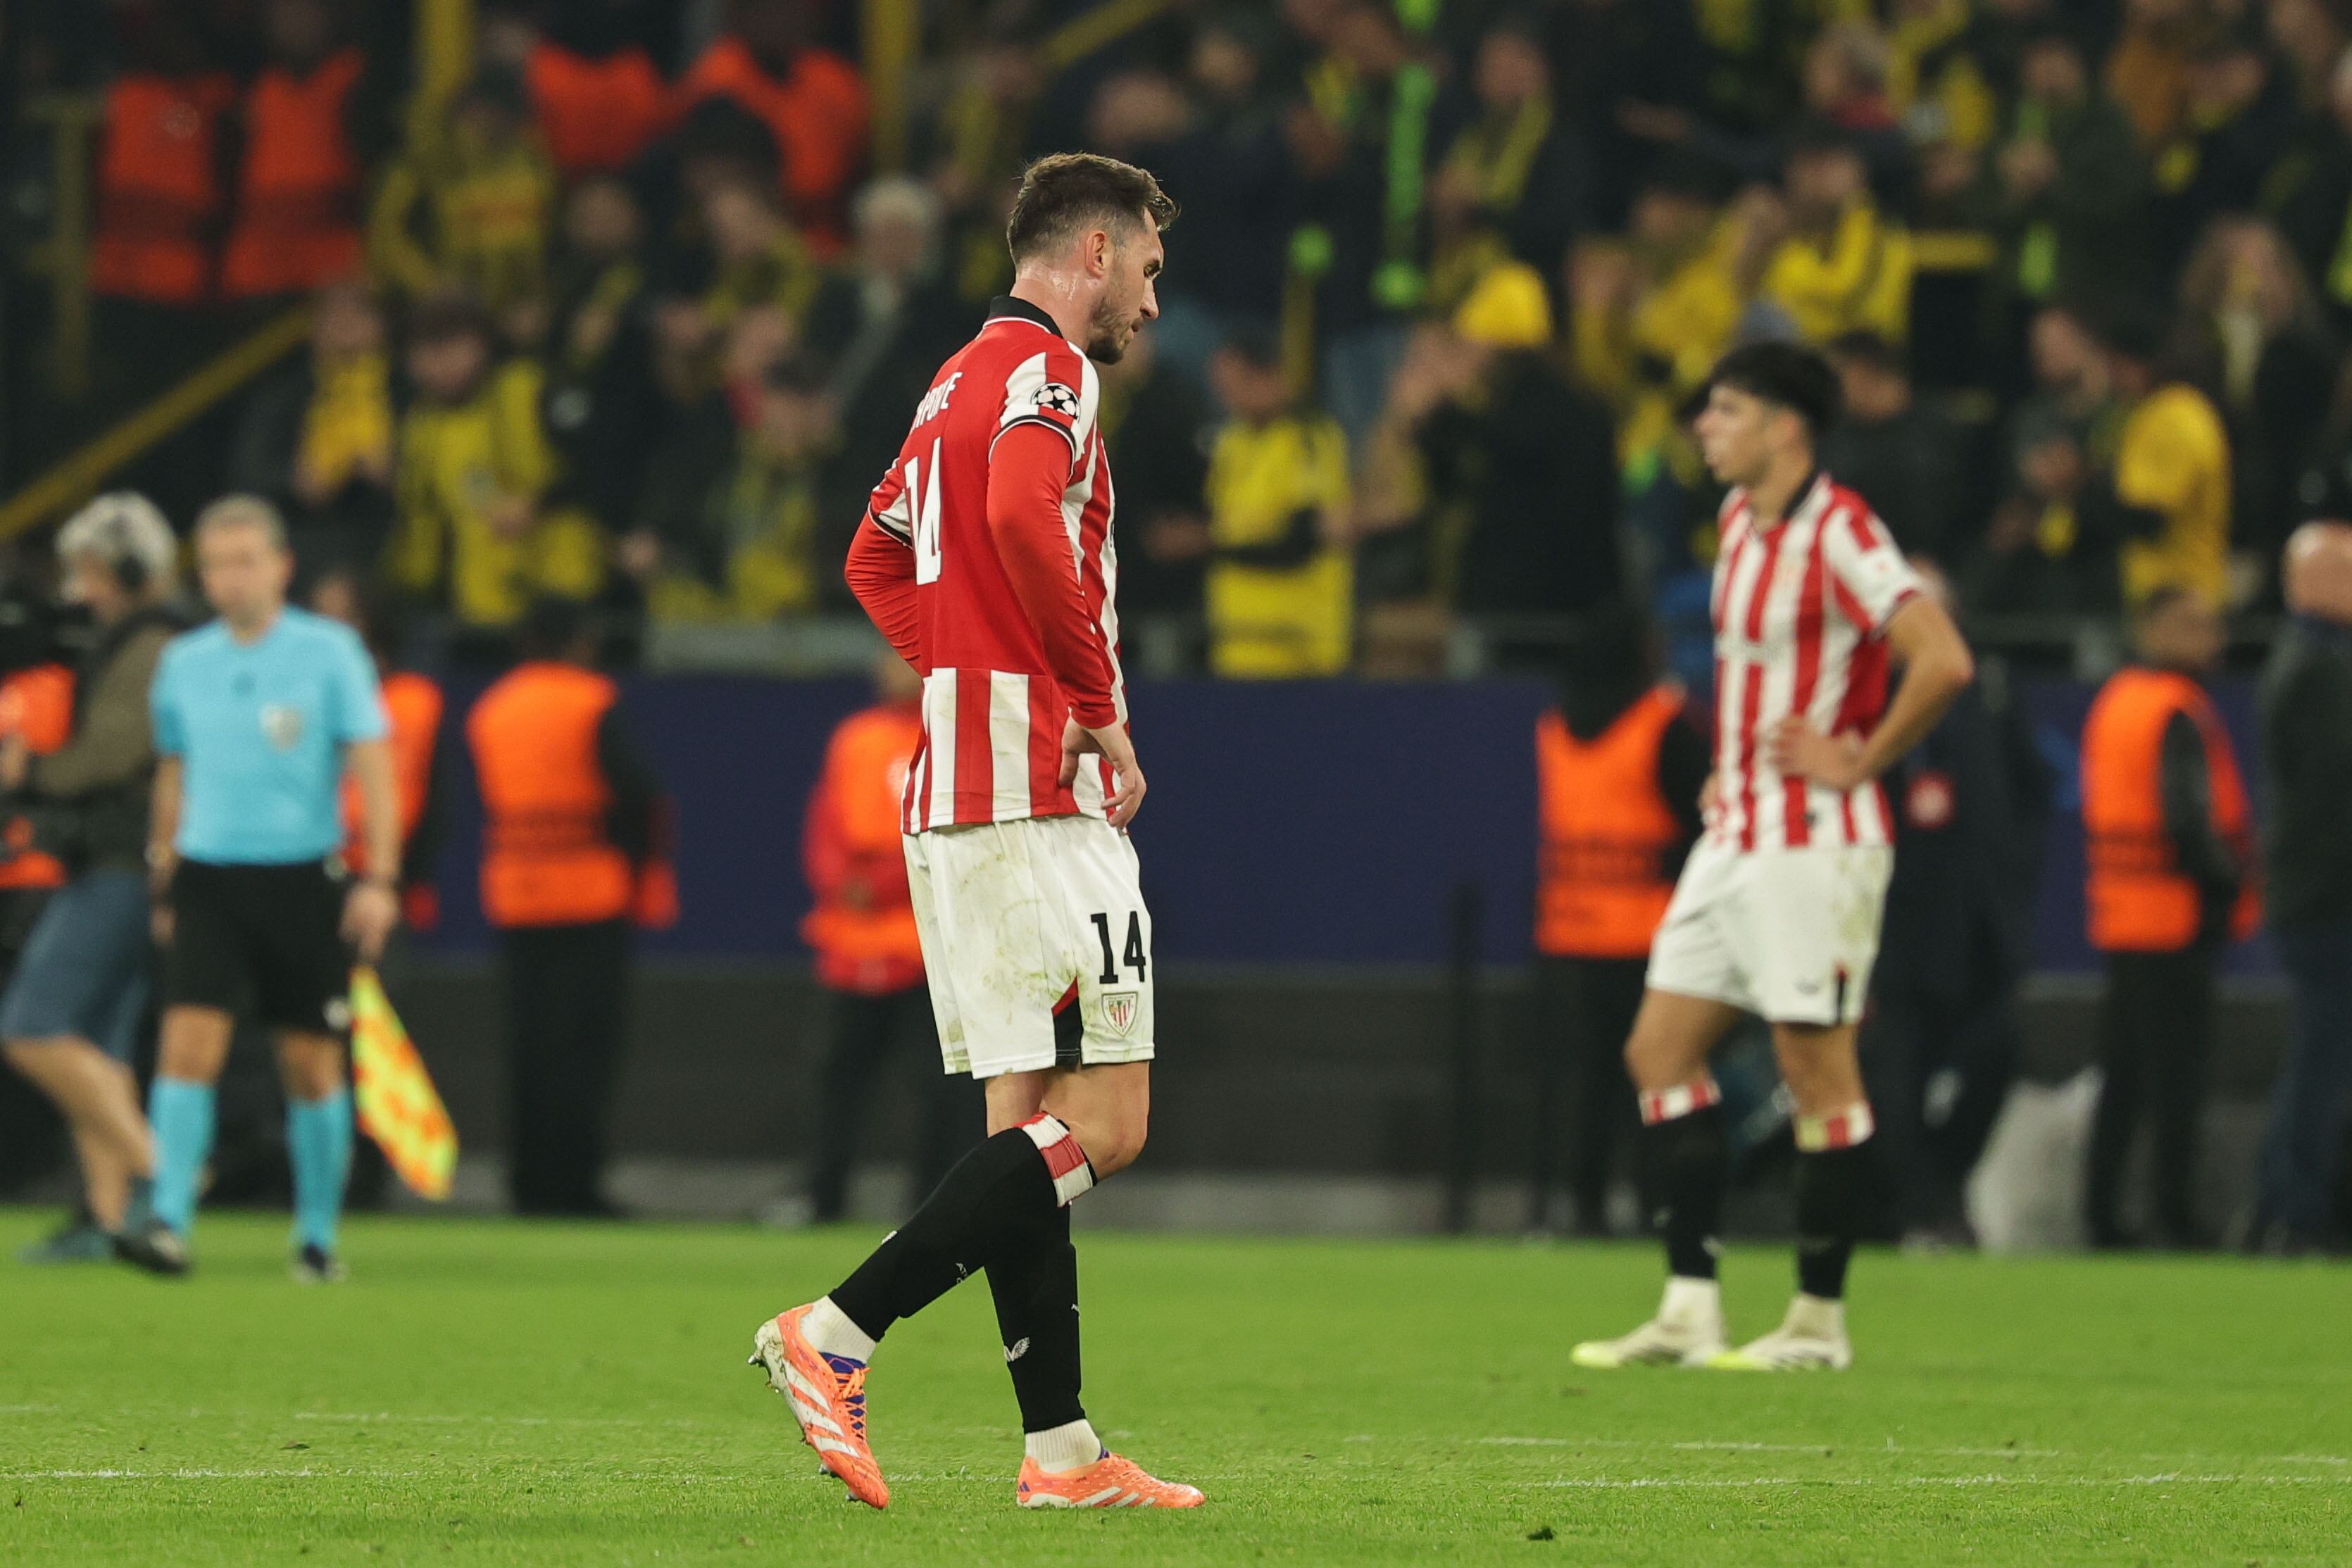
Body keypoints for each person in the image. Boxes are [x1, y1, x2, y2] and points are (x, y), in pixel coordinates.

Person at [749, 152, 1203, 1512]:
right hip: (1035, 797)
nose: (1154, 306)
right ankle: (834, 1331)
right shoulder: (1054, 377)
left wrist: (960, 670)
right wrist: (1088, 702)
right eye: (1151, 272)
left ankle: (1060, 1452)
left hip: (956, 788)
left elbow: (871, 559)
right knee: (1107, 1123)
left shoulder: (954, 378)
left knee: (1021, 1126)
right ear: (1099, 251)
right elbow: (1017, 515)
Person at [1570, 341, 1974, 1372]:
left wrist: (1862, 757)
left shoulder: (1841, 528)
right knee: (1659, 1050)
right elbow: (1763, 677)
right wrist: (1729, 766)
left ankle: (1817, 1323)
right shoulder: (1739, 522)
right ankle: (1690, 1306)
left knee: (1815, 1066)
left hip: (1817, 845)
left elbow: (1943, 657)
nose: (1706, 427)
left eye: (1727, 410)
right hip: (1736, 830)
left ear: (1786, 425)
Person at [137, 497, 401, 1279]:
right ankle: (167, 1222)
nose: (230, 577)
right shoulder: (185, 662)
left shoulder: (330, 653)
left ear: (282, 565)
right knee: (187, 1046)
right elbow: (173, 770)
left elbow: (373, 765)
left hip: (301, 876)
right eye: (216, 563)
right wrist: (163, 870)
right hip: (210, 876)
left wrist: (378, 876)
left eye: (246, 559)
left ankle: (316, 1234)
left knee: (311, 1062)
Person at [0, 496, 182, 1269]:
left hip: (120, 861)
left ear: (129, 569)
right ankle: (108, 1220)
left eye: (93, 571)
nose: (82, 590)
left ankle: (161, 1182)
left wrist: (28, 770)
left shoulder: (154, 645)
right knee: (99, 1050)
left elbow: (111, 753)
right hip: (119, 860)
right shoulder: (135, 639)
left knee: (33, 1026)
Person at [1861, 560, 2051, 1248]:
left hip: (1980, 918)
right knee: (1898, 1071)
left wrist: (2011, 867)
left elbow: (2033, 787)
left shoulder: (1987, 688)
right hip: (1900, 919)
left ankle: (1937, 1185)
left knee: (1992, 1055)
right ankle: (1917, 1207)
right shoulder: (1861, 695)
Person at [467, 597, 675, 1217]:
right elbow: (642, 796)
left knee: (528, 1047)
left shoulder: (491, 709)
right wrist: (647, 878)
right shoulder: (593, 700)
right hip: (588, 891)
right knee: (582, 1050)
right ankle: (575, 1184)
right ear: (579, 643)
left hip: (516, 891)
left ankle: (528, 1182)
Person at [2080, 587, 2258, 1250]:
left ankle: (2101, 1211)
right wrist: (2226, 886)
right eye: (2196, 623)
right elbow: (2189, 816)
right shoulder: (2176, 709)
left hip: (2122, 913)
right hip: (2174, 915)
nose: (2212, 637)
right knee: (2177, 1078)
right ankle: (2175, 1214)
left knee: (2123, 1075)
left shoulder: (2117, 701)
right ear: (2155, 629)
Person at [1530, 603, 1707, 1236]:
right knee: (1654, 1078)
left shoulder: (1554, 727)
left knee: (1585, 1086)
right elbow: (1703, 823)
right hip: (1644, 936)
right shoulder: (1660, 726)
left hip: (1569, 929)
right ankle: (1655, 1203)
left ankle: (1579, 1208)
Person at [795, 653, 975, 1224]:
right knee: (837, 1082)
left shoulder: (955, 735)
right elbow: (824, 822)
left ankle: (932, 1207)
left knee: (939, 1089)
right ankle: (820, 1199)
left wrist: (883, 882)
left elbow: (957, 833)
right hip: (852, 941)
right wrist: (839, 882)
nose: (890, 667)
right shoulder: (855, 737)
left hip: (927, 946)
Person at [2249, 522, 2352, 1254]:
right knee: (2322, 1053)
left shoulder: (2309, 660)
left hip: (2311, 891)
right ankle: (2293, 1207)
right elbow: (2335, 787)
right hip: (2326, 896)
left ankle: (2282, 1200)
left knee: (2319, 1050)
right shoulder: (2317, 667)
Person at [1197, 327, 1353, 676]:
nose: (1229, 399)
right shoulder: (1232, 442)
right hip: (1237, 645)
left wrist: (1208, 546)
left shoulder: (1309, 439)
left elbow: (1302, 541)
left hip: (1299, 650)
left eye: (1238, 386)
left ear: (1270, 376)